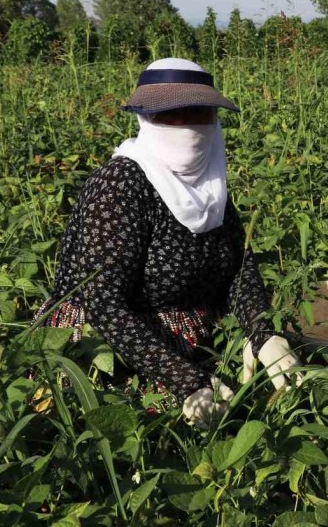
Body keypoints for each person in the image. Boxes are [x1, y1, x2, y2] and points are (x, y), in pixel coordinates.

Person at [33, 58, 301, 429]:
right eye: (172, 115)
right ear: (146, 119)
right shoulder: (121, 185)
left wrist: (263, 334)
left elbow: (238, 271)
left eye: (198, 113)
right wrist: (186, 382)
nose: (187, 126)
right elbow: (104, 303)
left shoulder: (211, 185)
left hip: (194, 323)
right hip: (112, 340)